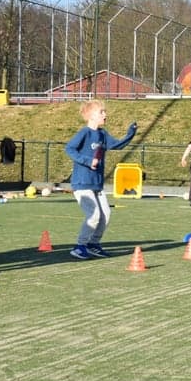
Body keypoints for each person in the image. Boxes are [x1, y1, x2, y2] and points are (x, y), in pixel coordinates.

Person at [63, 99, 137, 260]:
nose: (105, 114)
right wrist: (88, 161)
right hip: (82, 183)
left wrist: (130, 134)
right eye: (101, 112)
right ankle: (80, 246)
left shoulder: (102, 134)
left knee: (106, 214)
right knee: (94, 214)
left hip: (96, 183)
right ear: (91, 116)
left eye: (105, 111)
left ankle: (93, 244)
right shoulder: (84, 133)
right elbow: (69, 148)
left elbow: (117, 145)